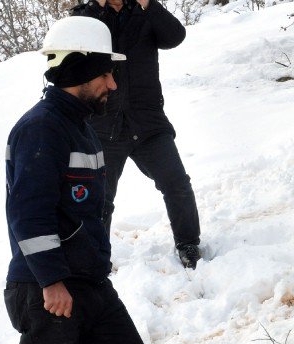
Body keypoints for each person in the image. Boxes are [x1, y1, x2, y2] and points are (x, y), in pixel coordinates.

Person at [4, 16, 156, 344]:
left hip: (88, 283)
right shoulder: (41, 128)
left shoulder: (78, 124)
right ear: (81, 68)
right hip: (48, 289)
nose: (113, 83)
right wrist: (51, 281)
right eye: (105, 74)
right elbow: (29, 214)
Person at [72, 0, 203, 269]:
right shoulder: (87, 17)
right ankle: (95, 258)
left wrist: (148, 4)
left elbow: (175, 37)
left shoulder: (144, 12)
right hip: (104, 125)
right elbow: (73, 55)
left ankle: (188, 243)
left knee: (176, 183)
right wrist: (96, 8)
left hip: (148, 122)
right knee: (100, 199)